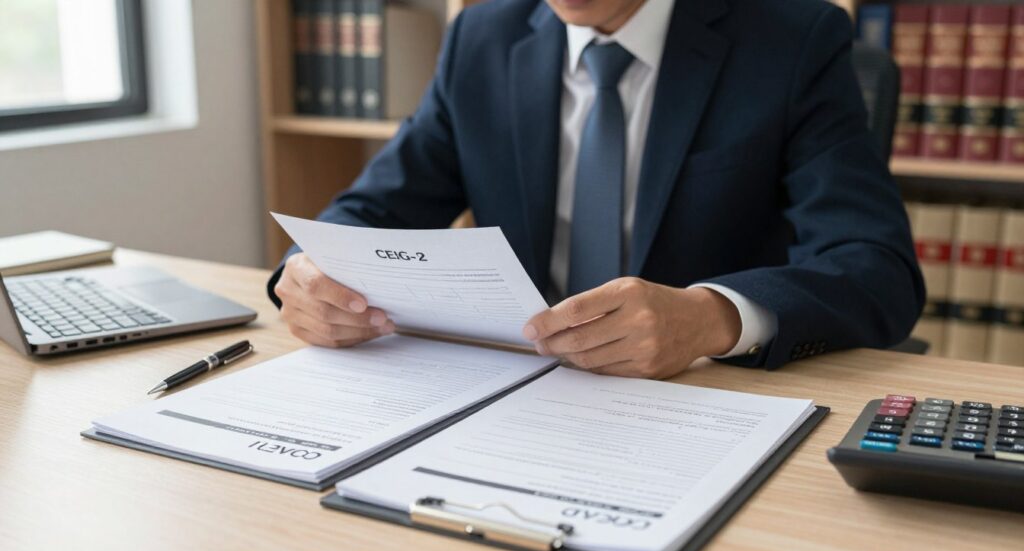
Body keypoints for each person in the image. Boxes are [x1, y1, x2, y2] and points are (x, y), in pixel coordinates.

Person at [267, 0, 925, 378]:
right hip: (517, 394)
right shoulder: (483, 36)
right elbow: (374, 208)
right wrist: (303, 274)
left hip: (707, 399)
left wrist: (711, 318)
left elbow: (875, 267)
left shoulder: (792, 40)